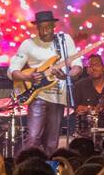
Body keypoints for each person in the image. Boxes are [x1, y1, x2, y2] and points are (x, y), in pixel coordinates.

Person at [7, 10, 81, 152]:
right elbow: (13, 70)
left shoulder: (64, 41)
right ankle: (26, 168)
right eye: (40, 27)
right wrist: (28, 77)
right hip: (38, 95)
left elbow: (77, 65)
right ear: (37, 27)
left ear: (54, 26)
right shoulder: (28, 44)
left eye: (47, 26)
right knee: (34, 136)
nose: (44, 30)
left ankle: (49, 171)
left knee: (52, 142)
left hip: (58, 95)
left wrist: (67, 76)